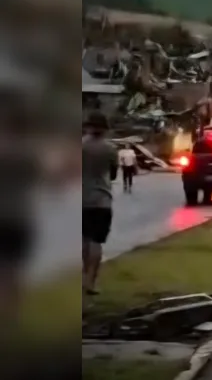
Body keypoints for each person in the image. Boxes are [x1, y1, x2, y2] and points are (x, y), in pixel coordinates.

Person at [82, 112, 118, 295]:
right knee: (97, 241)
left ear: (87, 126)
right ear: (105, 129)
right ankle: (91, 282)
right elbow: (113, 174)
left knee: (83, 240)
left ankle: (82, 276)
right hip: (102, 200)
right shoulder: (110, 149)